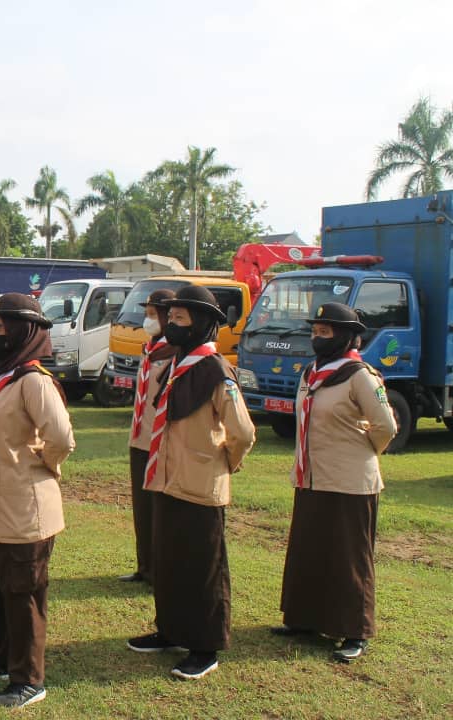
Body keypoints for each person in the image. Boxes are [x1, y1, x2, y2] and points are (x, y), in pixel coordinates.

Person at [127, 284, 256, 680]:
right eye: (174, 319)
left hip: (201, 485)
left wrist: (222, 464)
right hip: (167, 481)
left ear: (199, 323)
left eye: (181, 320)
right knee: (170, 562)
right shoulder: (176, 365)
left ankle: (204, 646)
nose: (173, 326)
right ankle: (170, 630)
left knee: (203, 568)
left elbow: (243, 433)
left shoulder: (216, 371)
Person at [0, 293, 74, 708]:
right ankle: (1, 657)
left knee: (23, 594)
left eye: (1, 328)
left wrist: (40, 465)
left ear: (23, 333)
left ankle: (28, 679)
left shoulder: (33, 380)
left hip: (24, 508)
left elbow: (60, 437)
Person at [273, 302, 397, 663]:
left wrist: (364, 452)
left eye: (324, 332)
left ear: (344, 337)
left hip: (350, 482)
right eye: (314, 331)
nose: (317, 337)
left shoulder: (360, 375)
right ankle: (304, 620)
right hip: (311, 478)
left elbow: (386, 427)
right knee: (308, 551)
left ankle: (354, 630)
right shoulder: (311, 372)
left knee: (348, 558)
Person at [121, 288, 176, 584]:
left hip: (160, 439)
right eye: (147, 314)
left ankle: (160, 569)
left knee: (160, 509)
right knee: (142, 508)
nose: (148, 320)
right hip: (140, 438)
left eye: (154, 315)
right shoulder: (150, 348)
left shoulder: (175, 351)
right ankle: (144, 565)